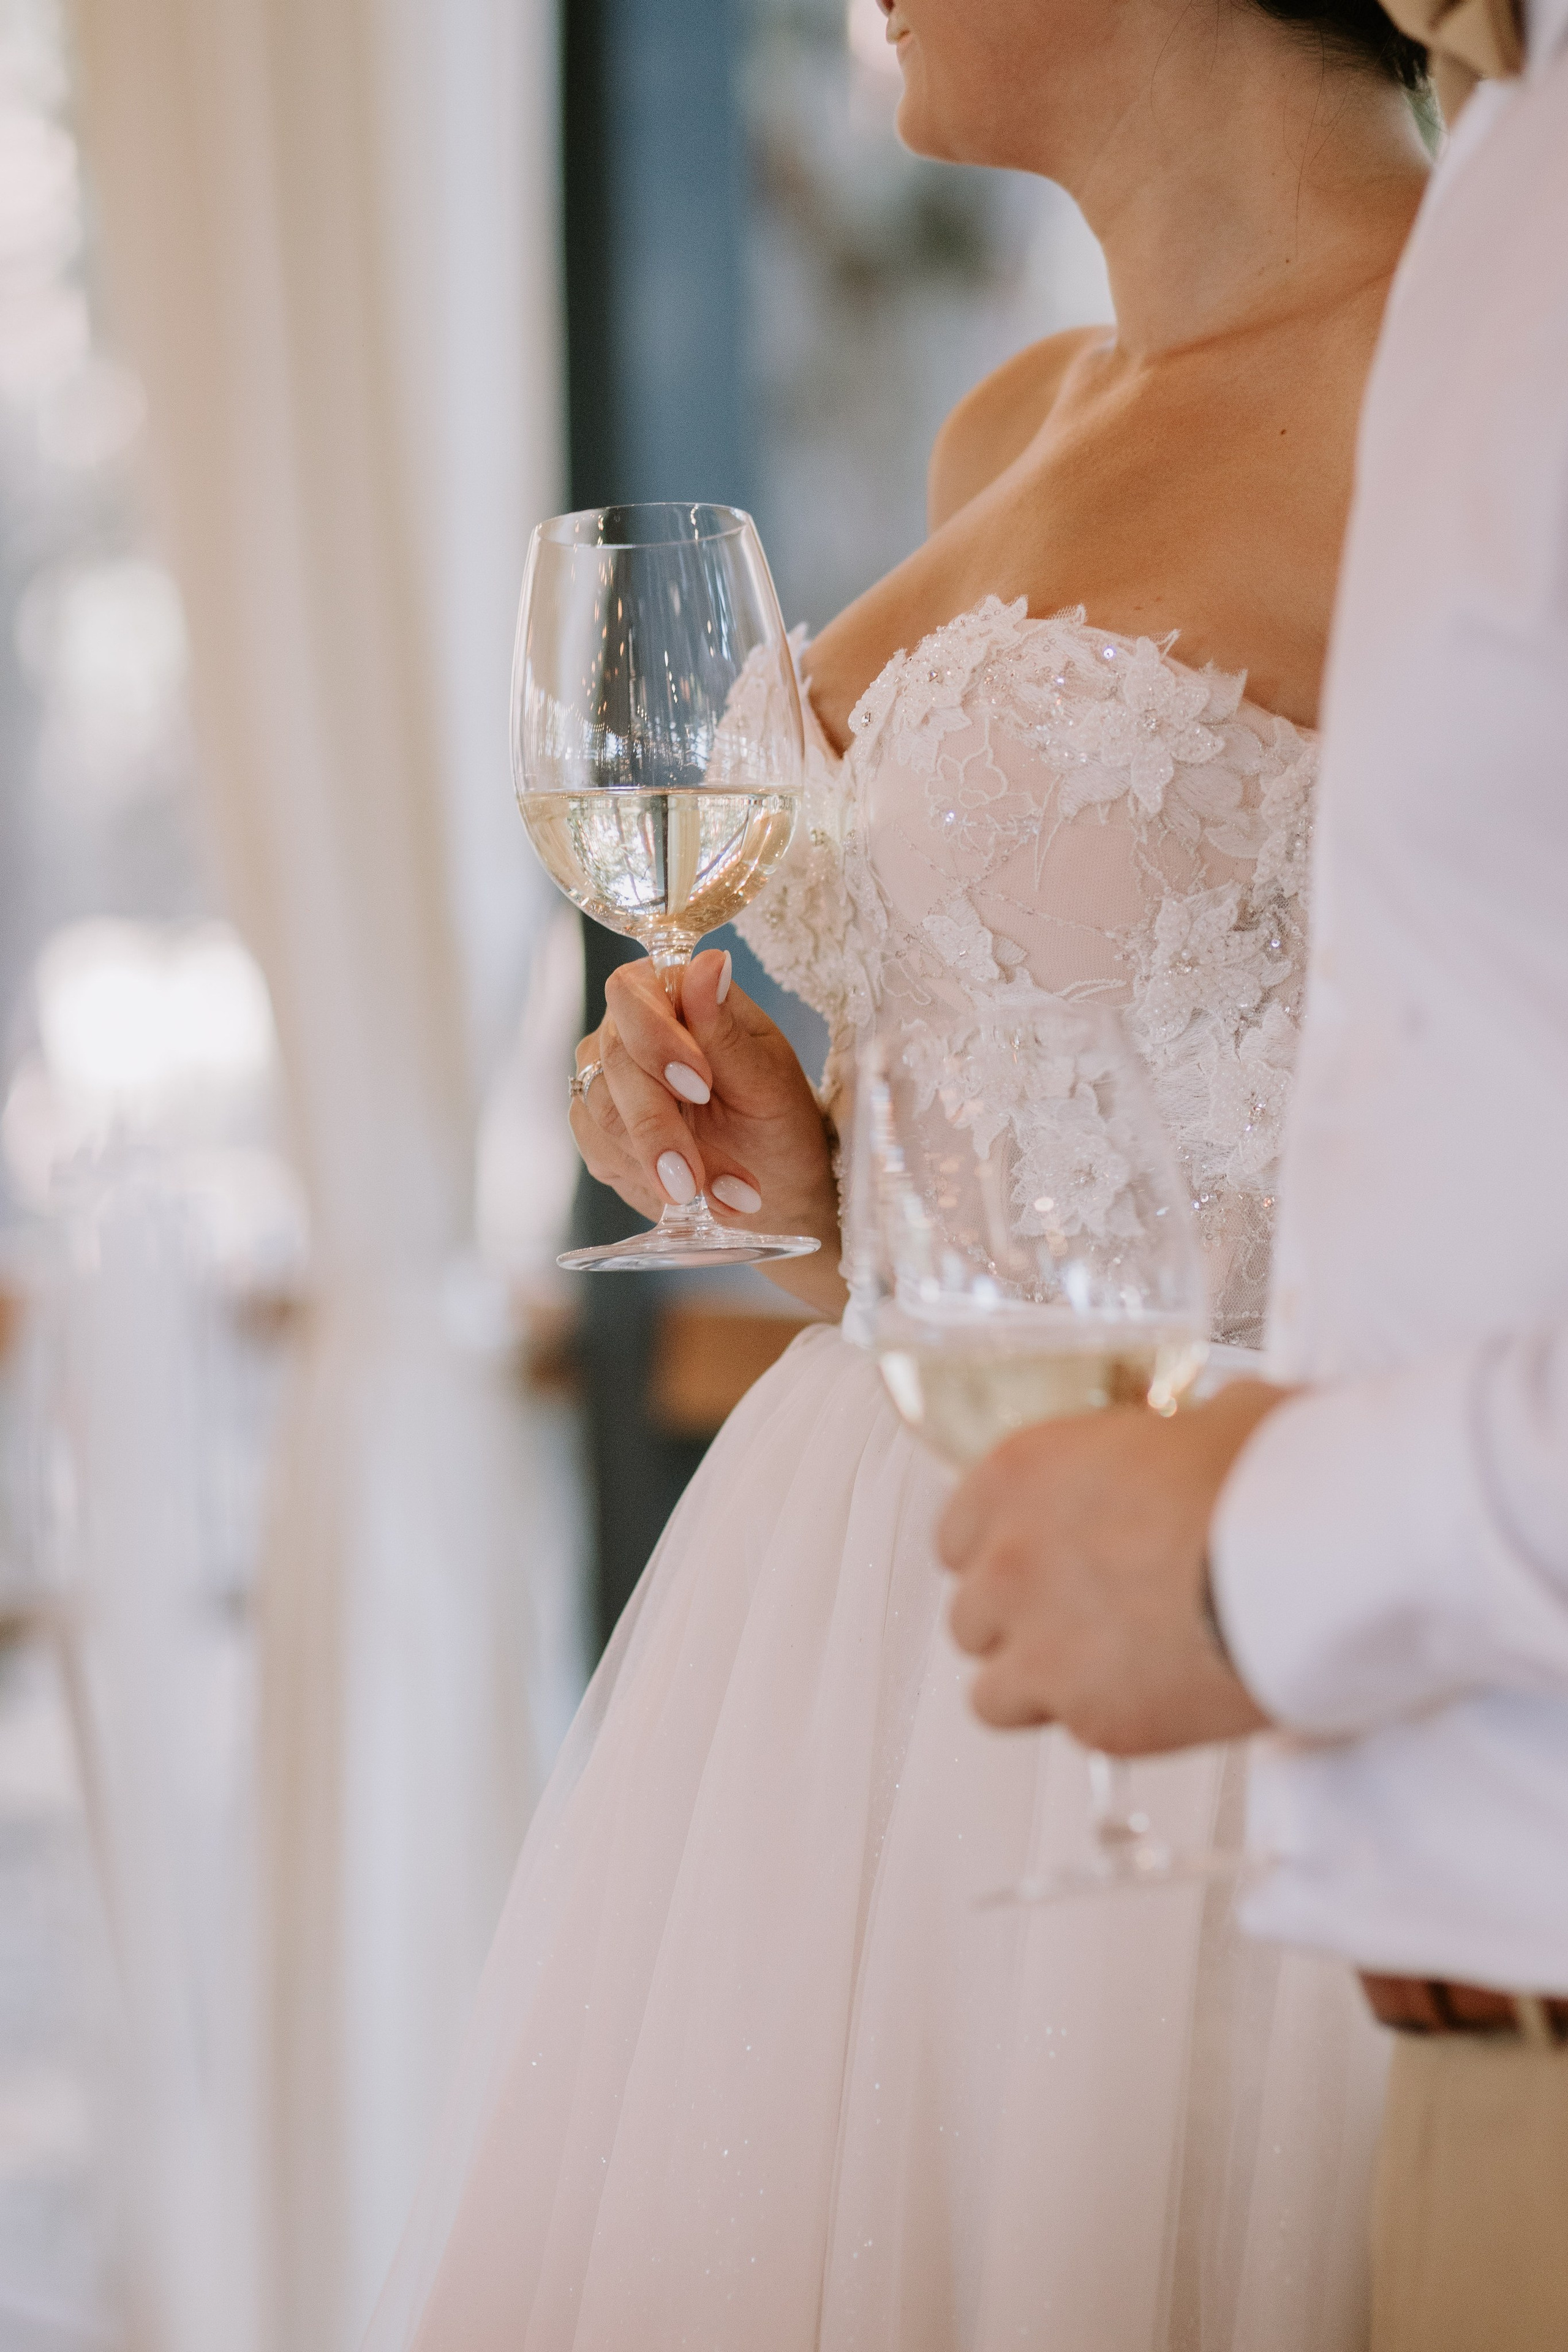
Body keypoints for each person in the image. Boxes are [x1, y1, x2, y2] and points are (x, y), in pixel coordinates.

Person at [363, 6, 1434, 2345]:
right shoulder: (1017, 412)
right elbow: (1046, 1111)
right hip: (855, 1610)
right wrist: (825, 1194)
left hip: (1219, 1639)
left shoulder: (1477, 393)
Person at [938, 4, 1568, 2349]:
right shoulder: (1515, 208)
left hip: (1277, 1670)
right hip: (1447, 1971)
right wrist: (822, 1190)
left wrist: (1257, 1556)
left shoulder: (1441, 292)